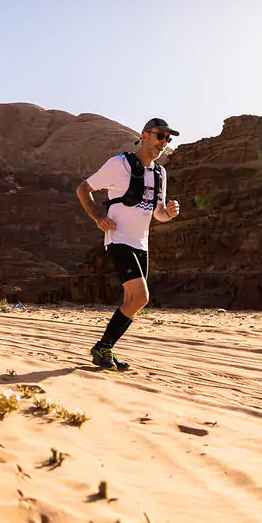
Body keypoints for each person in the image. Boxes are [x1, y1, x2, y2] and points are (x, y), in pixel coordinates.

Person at [75, 118, 182, 370]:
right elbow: (83, 189)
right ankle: (102, 347)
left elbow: (158, 214)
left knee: (130, 302)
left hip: (141, 244)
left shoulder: (159, 173)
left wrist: (170, 213)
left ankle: (106, 350)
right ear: (145, 135)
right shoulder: (119, 164)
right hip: (119, 239)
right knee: (141, 298)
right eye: (160, 136)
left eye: (168, 139)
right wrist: (98, 217)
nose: (164, 143)